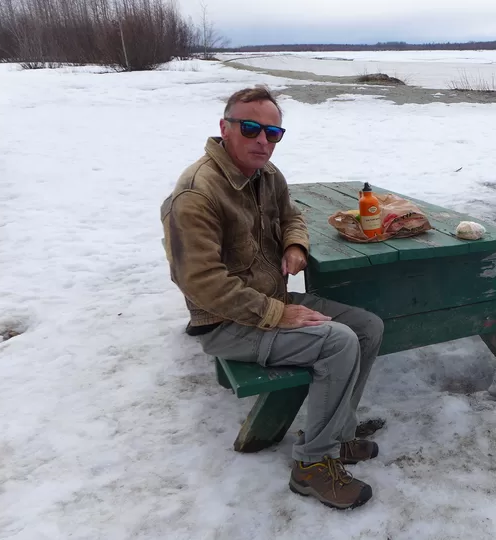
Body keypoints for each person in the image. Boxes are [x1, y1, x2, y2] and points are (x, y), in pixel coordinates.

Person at [160, 86, 383, 510]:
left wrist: (294, 245)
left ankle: (336, 437)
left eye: (273, 132)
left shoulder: (266, 175)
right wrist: (277, 313)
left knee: (368, 327)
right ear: (224, 128)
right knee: (339, 342)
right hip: (227, 324)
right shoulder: (197, 194)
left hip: (271, 300)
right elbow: (200, 281)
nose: (262, 140)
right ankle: (312, 466)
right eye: (250, 128)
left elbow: (292, 215)